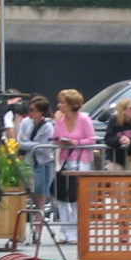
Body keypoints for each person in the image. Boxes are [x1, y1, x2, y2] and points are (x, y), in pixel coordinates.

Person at [51, 89, 95, 243]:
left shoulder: (84, 119)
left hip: (81, 160)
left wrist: (75, 142)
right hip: (65, 160)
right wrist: (59, 130)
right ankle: (64, 232)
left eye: (62, 102)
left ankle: (76, 232)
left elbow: (92, 139)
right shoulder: (61, 119)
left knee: (77, 197)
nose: (59, 105)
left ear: (71, 105)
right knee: (62, 196)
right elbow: (55, 138)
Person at [16, 96, 57, 232]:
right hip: (28, 161)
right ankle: (26, 225)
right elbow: (19, 142)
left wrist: (27, 143)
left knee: (40, 194)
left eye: (33, 110)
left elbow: (45, 147)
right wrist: (34, 144)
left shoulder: (48, 126)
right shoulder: (25, 122)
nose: (30, 112)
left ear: (41, 112)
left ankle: (38, 227)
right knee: (27, 192)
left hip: (43, 162)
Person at [103, 98, 131, 168]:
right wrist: (120, 140)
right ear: (123, 110)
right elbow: (108, 138)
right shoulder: (114, 120)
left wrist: (130, 141)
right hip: (116, 159)